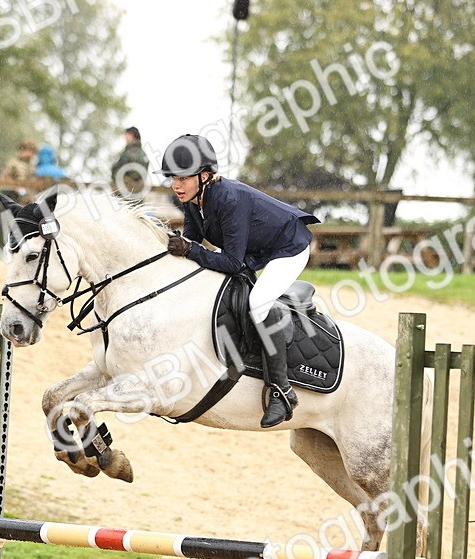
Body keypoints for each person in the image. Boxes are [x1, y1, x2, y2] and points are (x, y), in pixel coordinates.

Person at [157, 133, 320, 428]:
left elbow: (232, 261)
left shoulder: (228, 199)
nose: (175, 185)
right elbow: (191, 242)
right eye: (172, 178)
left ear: (204, 175)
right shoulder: (195, 201)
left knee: (258, 303)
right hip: (258, 250)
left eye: (182, 178)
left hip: (289, 247)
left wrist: (191, 249)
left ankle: (283, 392)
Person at [110, 126, 150, 200]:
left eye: (127, 135)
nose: (125, 137)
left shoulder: (133, 153)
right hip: (132, 192)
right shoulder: (139, 153)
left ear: (132, 135)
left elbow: (136, 174)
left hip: (127, 191)